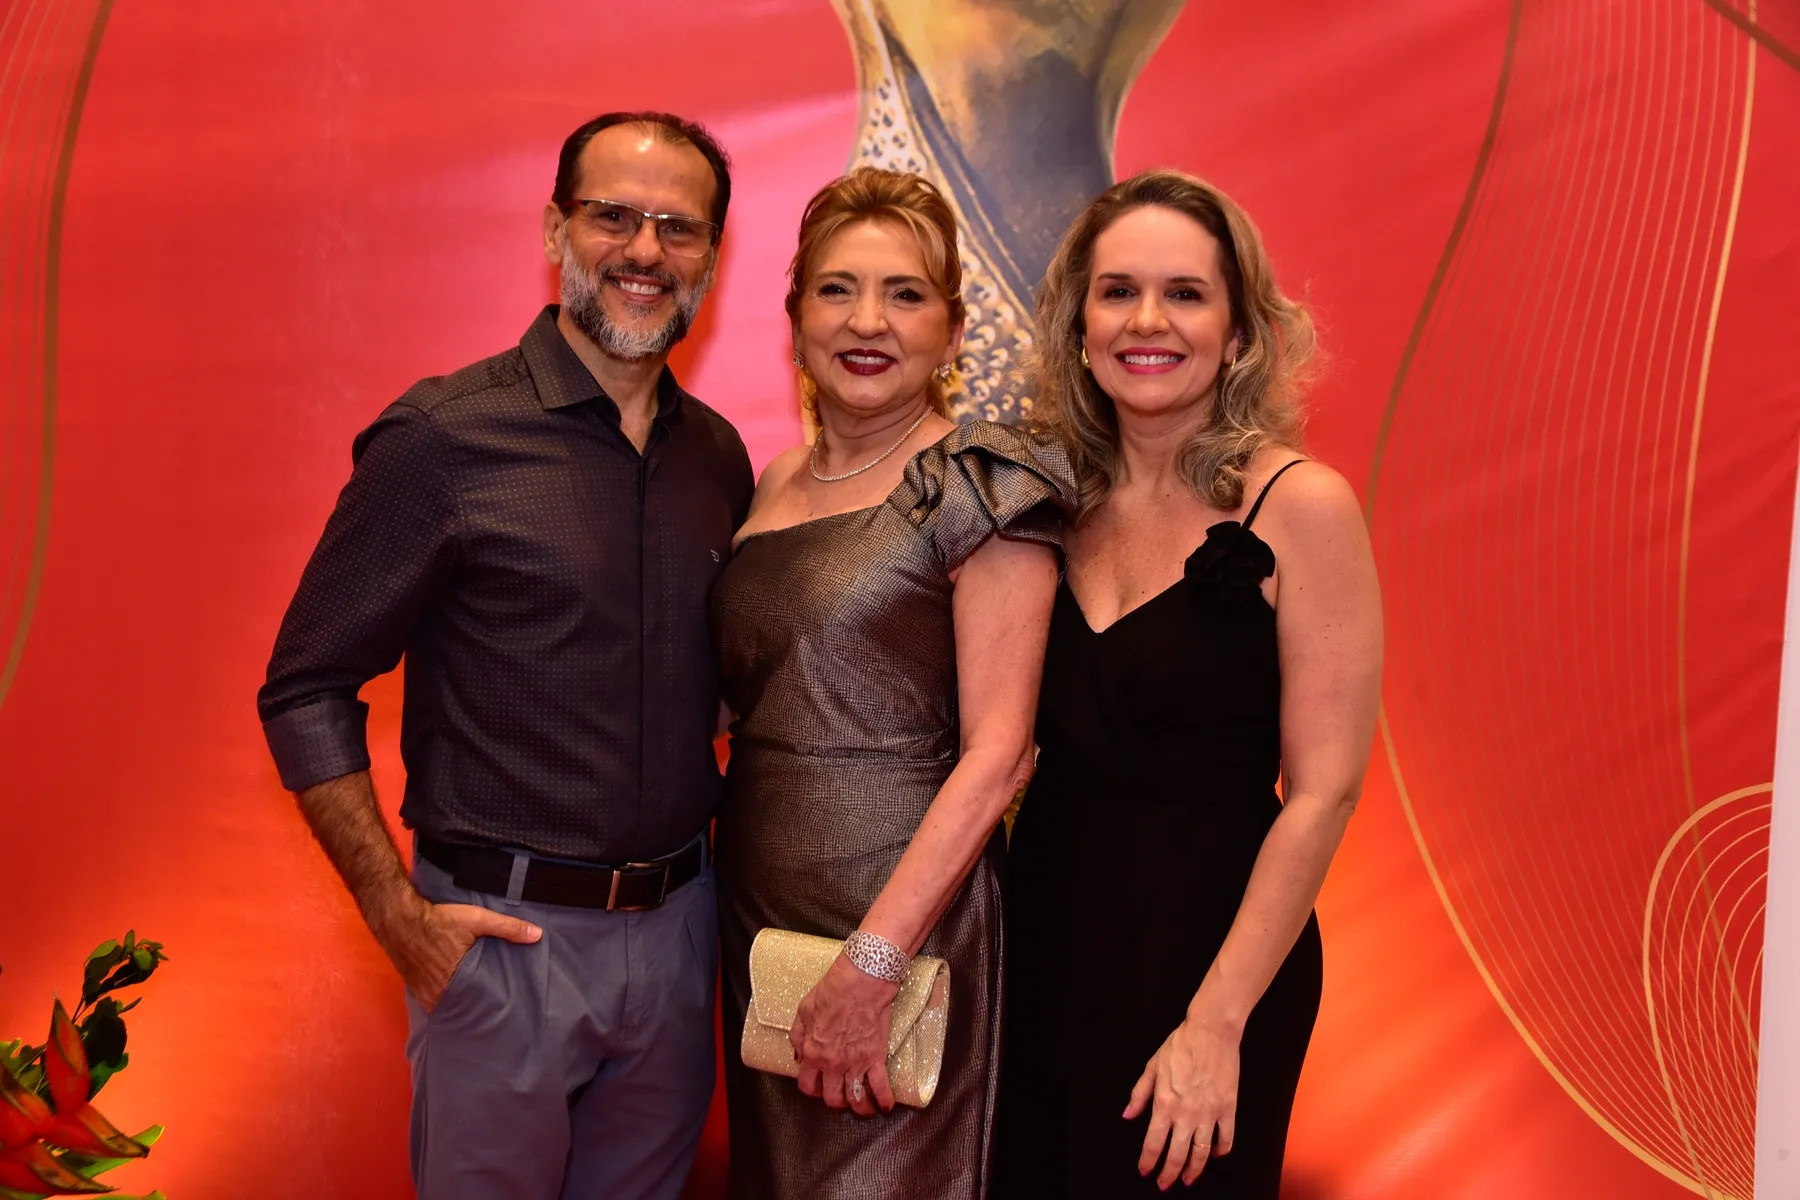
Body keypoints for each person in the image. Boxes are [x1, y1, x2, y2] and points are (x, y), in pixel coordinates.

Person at [256, 111, 753, 1200]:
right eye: (613, 215)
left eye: (678, 227)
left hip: (680, 939)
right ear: (554, 230)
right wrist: (398, 917)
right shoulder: (444, 438)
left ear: (712, 259)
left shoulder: (718, 458)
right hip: (502, 944)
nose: (645, 250)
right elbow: (304, 687)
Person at [995, 170, 1382, 1197]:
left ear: (1239, 331)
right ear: (1080, 324)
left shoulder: (1303, 507)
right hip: (1039, 945)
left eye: (1185, 294)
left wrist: (1217, 1025)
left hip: (1213, 967)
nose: (1147, 321)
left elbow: (1326, 793)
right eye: (1118, 292)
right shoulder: (1047, 503)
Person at [708, 167, 1071, 1198]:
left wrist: (873, 964)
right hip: (761, 922)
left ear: (951, 332)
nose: (867, 320)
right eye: (837, 289)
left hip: (903, 935)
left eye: (905, 294)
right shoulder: (775, 482)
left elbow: (1000, 756)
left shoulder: (978, 480)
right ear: (795, 321)